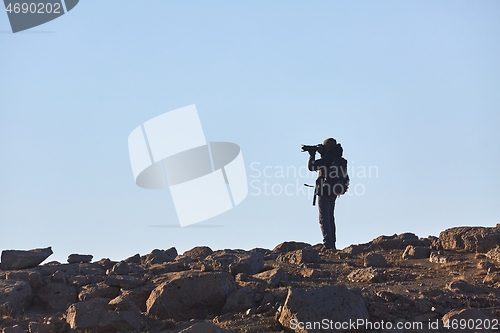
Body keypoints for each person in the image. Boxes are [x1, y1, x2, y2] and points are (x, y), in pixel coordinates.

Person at [307, 138, 346, 251]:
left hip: (324, 191)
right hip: (333, 191)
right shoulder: (336, 157)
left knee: (324, 218)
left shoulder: (327, 158)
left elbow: (312, 167)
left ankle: (328, 244)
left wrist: (312, 154)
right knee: (330, 217)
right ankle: (331, 242)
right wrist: (322, 153)